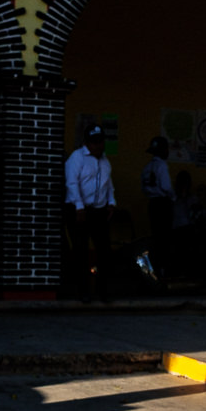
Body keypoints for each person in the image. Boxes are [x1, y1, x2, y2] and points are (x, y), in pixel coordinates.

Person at [64, 125, 116, 301]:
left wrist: (111, 202)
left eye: (100, 142)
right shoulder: (77, 158)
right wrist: (79, 207)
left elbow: (108, 183)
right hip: (79, 209)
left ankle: (103, 291)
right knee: (81, 252)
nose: (98, 146)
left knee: (104, 251)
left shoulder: (105, 161)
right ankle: (83, 291)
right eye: (94, 142)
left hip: (98, 210)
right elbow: (72, 183)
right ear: (87, 143)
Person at [141, 135, 174, 277]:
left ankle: (155, 269)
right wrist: (174, 197)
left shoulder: (147, 167)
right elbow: (166, 186)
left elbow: (144, 187)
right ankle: (163, 271)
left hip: (153, 204)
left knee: (156, 237)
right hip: (162, 204)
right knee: (164, 239)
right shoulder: (161, 166)